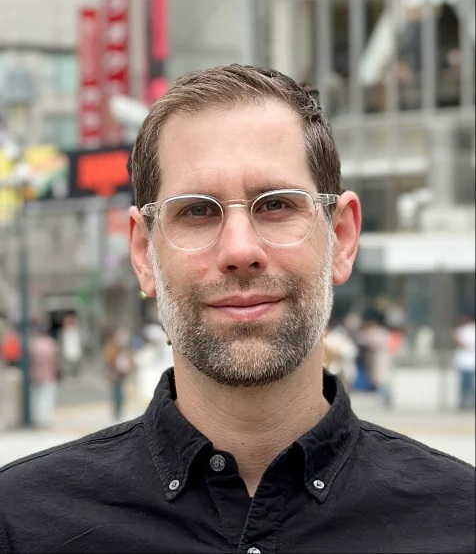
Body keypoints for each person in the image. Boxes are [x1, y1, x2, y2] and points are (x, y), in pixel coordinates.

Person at [0, 64, 473, 553]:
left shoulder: (460, 521)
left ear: (342, 238)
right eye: (197, 211)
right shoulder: (20, 524)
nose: (239, 250)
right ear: (144, 253)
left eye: (276, 205)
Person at [28, 321, 59, 428]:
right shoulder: (51, 343)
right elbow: (55, 360)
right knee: (47, 398)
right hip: (49, 375)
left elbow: (29, 360)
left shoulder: (33, 344)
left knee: (36, 398)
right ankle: (45, 419)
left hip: (35, 375)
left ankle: (37, 419)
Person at [102, 326, 135, 421]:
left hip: (121, 373)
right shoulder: (111, 346)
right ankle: (116, 412)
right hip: (115, 373)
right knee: (116, 392)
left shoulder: (121, 345)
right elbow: (110, 359)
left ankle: (119, 411)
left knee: (120, 392)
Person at [452, 311, 475, 410]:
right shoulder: (462, 330)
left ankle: (470, 403)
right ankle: (464, 403)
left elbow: (465, 344)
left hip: (469, 362)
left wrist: (456, 338)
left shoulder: (470, 330)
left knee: (468, 384)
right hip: (462, 362)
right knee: (463, 385)